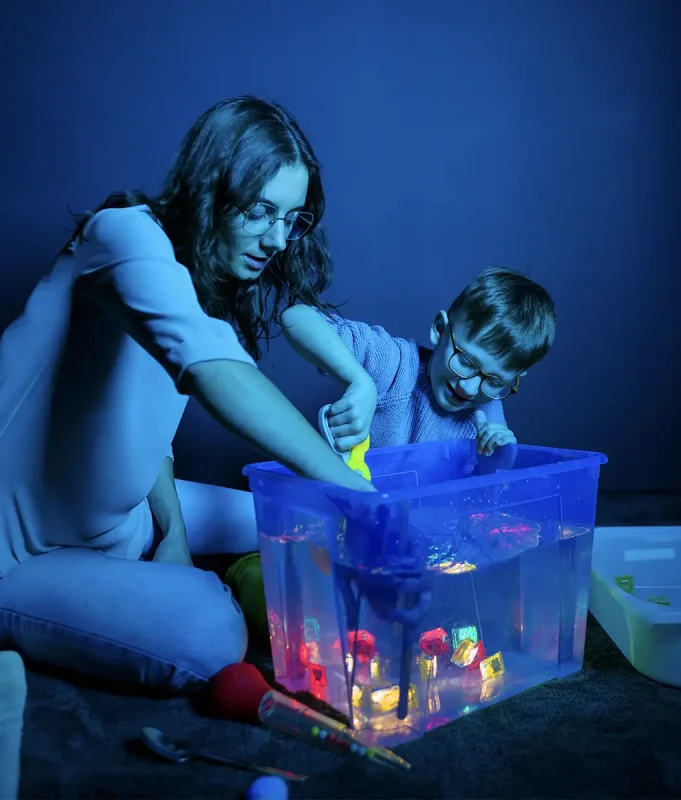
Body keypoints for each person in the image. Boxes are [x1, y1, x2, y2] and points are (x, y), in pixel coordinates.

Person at [0, 96, 373, 693]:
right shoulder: (121, 235)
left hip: (123, 523)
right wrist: (353, 491)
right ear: (213, 188)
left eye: (291, 218)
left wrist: (172, 531)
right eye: (259, 210)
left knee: (294, 518)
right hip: (20, 555)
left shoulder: (203, 284)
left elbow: (151, 435)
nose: (277, 237)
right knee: (211, 635)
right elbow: (213, 371)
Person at [280, 266, 556, 455]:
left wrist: (498, 463)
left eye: (495, 380)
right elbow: (297, 318)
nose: (470, 389)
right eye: (467, 362)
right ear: (439, 329)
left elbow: (483, 501)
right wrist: (360, 380)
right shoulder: (394, 363)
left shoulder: (488, 410)